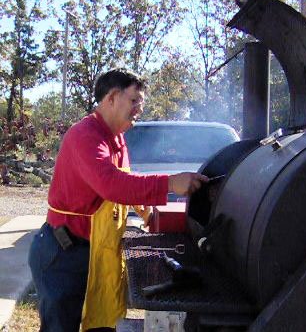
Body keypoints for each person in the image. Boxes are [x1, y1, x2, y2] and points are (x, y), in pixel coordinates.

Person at [28, 68, 208, 332]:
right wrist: (170, 183)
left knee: (101, 325)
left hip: (96, 252)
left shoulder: (117, 139)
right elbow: (112, 184)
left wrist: (147, 212)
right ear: (112, 97)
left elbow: (125, 179)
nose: (139, 108)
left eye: (141, 102)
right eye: (134, 100)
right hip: (63, 255)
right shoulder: (84, 136)